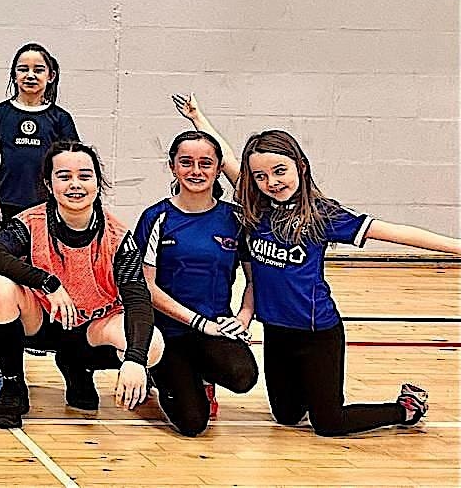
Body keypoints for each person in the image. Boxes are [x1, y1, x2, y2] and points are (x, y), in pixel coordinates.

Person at [178, 95, 454, 435]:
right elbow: (228, 158)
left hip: (317, 332)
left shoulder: (322, 215)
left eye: (280, 171)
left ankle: (406, 409)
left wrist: (456, 248)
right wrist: (197, 118)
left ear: (301, 166)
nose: (271, 182)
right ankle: (313, 392)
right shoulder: (257, 206)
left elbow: (395, 232)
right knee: (286, 416)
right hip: (276, 332)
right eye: (261, 176)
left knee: (328, 423)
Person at [0, 142, 163, 429]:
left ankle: (78, 367)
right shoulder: (30, 222)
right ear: (49, 185)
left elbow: (137, 298)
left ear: (98, 183)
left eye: (85, 176)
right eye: (64, 176)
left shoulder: (118, 236)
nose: (75, 184)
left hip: (92, 329)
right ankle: (13, 385)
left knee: (152, 346)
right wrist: (48, 283)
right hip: (43, 322)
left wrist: (135, 360)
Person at [133, 129, 258, 437]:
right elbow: (146, 287)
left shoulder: (236, 219)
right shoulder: (156, 217)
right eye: (186, 162)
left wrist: (242, 319)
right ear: (172, 166)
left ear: (218, 168)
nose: (196, 171)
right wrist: (199, 323)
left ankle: (200, 375)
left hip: (214, 327)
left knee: (243, 376)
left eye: (206, 163)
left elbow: (254, 281)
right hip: (167, 332)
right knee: (192, 424)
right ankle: (157, 371)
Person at [0, 43, 77, 226]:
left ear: (51, 76)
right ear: (14, 75)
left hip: (48, 202)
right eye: (23, 69)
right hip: (7, 200)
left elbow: (70, 162)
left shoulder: (61, 118)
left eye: (38, 70)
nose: (30, 75)